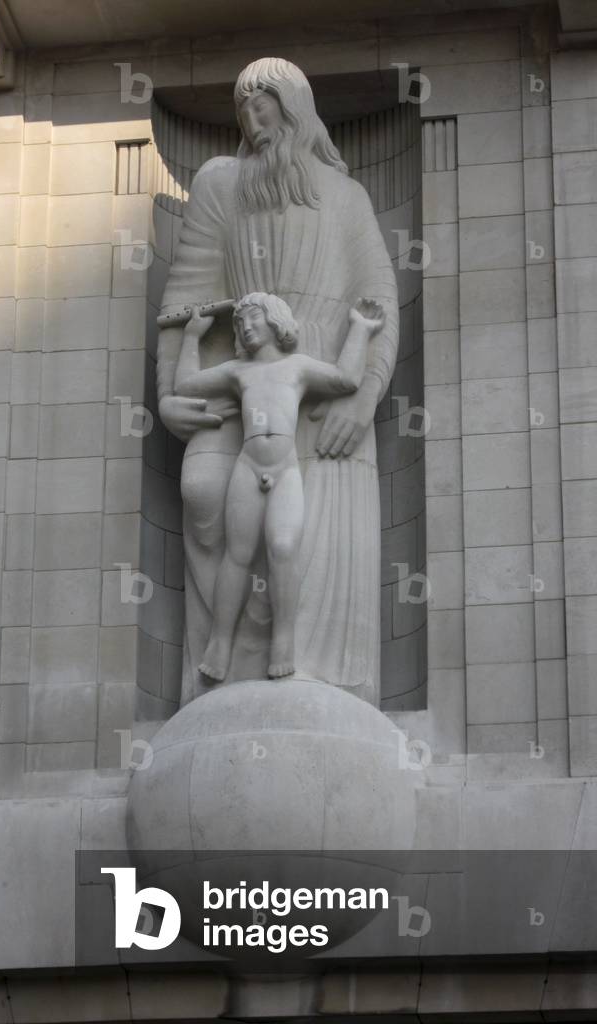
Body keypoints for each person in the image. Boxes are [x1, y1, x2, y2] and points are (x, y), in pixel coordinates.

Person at [157, 57, 399, 705]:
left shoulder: (347, 198)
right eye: (242, 111)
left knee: (297, 541)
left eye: (264, 107)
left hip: (324, 394)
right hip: (240, 385)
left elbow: (378, 301)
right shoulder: (219, 183)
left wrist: (368, 391)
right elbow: (185, 298)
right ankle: (224, 662)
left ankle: (308, 674)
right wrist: (167, 393)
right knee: (201, 487)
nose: (253, 122)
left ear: (294, 110)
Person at [174, 293, 385, 681]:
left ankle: (283, 642)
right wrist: (192, 336)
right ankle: (220, 643)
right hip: (248, 466)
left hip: (285, 468)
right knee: (237, 554)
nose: (246, 328)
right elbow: (187, 385)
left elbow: (346, 378)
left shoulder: (298, 367)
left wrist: (360, 328)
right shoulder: (238, 371)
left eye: (253, 319)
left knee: (283, 547)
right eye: (239, 324)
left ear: (276, 321)